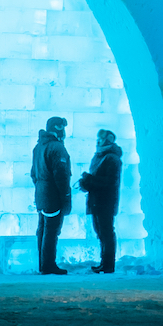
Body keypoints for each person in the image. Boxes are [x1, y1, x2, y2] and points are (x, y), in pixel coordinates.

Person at [30, 116, 71, 275]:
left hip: (41, 193)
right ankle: (48, 265)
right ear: (58, 129)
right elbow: (61, 176)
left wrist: (41, 187)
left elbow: (34, 174)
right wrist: (65, 196)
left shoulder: (38, 147)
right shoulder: (56, 148)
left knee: (43, 228)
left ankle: (43, 264)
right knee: (51, 230)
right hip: (52, 195)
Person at [79, 128, 124, 273]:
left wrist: (89, 180)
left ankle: (108, 264)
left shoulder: (112, 158)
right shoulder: (99, 156)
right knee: (100, 232)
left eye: (101, 138)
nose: (98, 140)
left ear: (108, 140)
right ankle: (104, 262)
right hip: (97, 200)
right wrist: (86, 183)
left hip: (106, 201)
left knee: (106, 232)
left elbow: (110, 182)